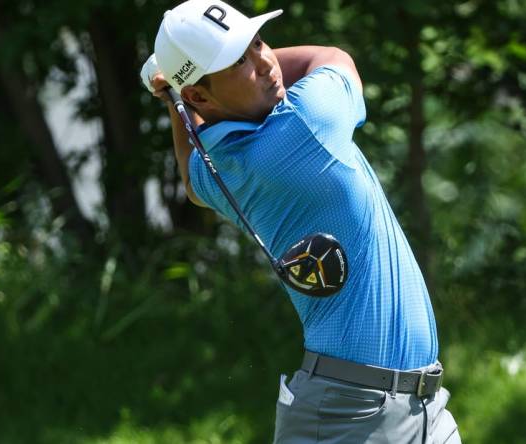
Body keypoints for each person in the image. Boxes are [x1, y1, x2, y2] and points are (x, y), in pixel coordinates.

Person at [140, 1, 461, 442]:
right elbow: (333, 58)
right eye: (239, 61)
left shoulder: (222, 170)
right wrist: (177, 93)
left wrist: (178, 99)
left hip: (416, 408)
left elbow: (190, 171)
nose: (266, 62)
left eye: (258, 44)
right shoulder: (305, 125)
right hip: (353, 420)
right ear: (201, 95)